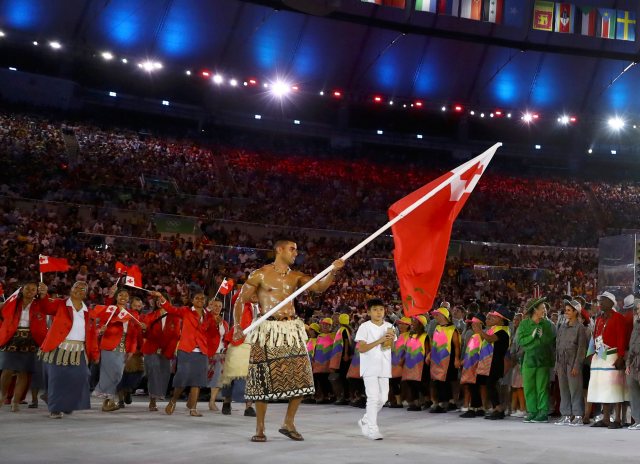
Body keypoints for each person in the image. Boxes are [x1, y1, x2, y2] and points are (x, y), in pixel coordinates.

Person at [232, 239, 344, 442]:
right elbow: (241, 300)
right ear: (279, 249)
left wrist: (333, 272)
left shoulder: (295, 276)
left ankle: (288, 423)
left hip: (291, 329)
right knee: (262, 379)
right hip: (268, 331)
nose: (296, 252)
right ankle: (260, 427)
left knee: (301, 377)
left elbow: (318, 287)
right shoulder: (260, 274)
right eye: (292, 249)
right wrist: (238, 326)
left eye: (296, 249)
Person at [38, 281, 100, 419]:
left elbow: (92, 335)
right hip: (59, 348)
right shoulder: (60, 304)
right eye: (76, 286)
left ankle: (64, 402)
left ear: (86, 293)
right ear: (71, 290)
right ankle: (55, 408)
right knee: (57, 379)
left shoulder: (88, 312)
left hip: (79, 350)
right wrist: (43, 295)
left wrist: (95, 353)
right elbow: (46, 307)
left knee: (82, 376)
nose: (79, 289)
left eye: (83, 288)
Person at [150, 290, 212, 417]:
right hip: (186, 350)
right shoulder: (186, 311)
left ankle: (193, 408)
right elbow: (170, 308)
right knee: (182, 379)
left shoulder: (208, 315)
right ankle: (173, 401)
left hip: (202, 351)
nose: (200, 300)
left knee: (198, 381)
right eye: (197, 298)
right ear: (192, 300)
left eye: (202, 298)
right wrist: (161, 297)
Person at [92, 287, 145, 412]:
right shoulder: (110, 310)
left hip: (123, 349)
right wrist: (101, 330)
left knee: (117, 375)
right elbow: (100, 325)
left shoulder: (131, 314)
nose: (123, 297)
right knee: (112, 374)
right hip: (109, 346)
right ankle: (106, 400)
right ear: (116, 297)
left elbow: (133, 335)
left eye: (126, 296)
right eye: (121, 295)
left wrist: (131, 350)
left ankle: (108, 401)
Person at [0, 280, 48, 412]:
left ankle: (16, 400)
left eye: (33, 290)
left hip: (31, 339)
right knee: (7, 369)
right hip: (12, 338)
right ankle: (3, 396)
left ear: (37, 292)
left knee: (24, 372)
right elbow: (2, 311)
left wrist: (45, 293)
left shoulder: (40, 304)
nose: (30, 292)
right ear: (22, 290)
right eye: (27, 289)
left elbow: (49, 305)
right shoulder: (13, 302)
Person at [355, 298, 395, 440]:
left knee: (383, 398)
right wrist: (380, 340)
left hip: (384, 366)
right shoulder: (364, 327)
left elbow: (390, 346)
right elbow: (362, 348)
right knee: (373, 398)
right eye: (375, 309)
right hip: (369, 367)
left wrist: (391, 338)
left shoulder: (390, 326)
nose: (378, 312)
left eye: (381, 309)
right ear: (369, 312)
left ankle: (365, 419)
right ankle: (372, 429)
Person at [588, 291, 629, 429]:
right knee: (602, 388)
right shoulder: (599, 319)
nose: (600, 303)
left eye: (603, 300)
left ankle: (617, 419)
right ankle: (605, 418)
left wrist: (621, 356)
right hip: (600, 355)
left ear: (611, 303)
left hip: (613, 355)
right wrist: (593, 354)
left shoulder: (618, 318)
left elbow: (621, 338)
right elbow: (595, 337)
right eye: (600, 301)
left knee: (614, 388)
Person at [140, 295, 181, 411]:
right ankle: (152, 400)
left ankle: (158, 394)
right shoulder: (149, 316)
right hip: (150, 349)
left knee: (164, 374)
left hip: (166, 350)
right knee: (153, 372)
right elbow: (145, 335)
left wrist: (168, 352)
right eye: (157, 300)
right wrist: (144, 329)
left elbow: (176, 336)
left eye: (161, 299)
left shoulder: (175, 317)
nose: (159, 302)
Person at [518, 297, 556, 423]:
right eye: (543, 308)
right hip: (528, 361)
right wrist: (532, 336)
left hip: (543, 360)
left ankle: (543, 412)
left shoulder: (548, 324)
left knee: (542, 387)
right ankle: (532, 411)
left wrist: (540, 338)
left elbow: (550, 341)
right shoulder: (524, 324)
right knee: (529, 387)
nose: (545, 311)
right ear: (535, 310)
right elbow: (521, 342)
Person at [554, 299, 588, 426]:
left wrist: (577, 365)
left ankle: (578, 415)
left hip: (573, 364)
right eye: (565, 310)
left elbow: (581, 349)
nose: (566, 312)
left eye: (569, 310)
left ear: (576, 312)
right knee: (564, 390)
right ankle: (566, 415)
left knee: (575, 390)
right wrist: (557, 364)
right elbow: (557, 346)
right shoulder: (562, 327)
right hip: (561, 363)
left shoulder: (580, 328)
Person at [476, 306, 512, 420]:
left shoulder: (503, 331)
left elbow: (490, 339)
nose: (492, 318)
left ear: (502, 320)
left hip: (496, 362)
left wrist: (479, 331)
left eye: (495, 317)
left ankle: (499, 408)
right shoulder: (496, 329)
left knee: (491, 385)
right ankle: (496, 408)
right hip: (490, 362)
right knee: (490, 385)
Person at [429, 306, 462, 413]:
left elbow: (457, 346)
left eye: (437, 315)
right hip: (437, 358)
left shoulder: (453, 329)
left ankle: (445, 403)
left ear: (443, 316)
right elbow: (434, 343)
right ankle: (444, 402)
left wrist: (457, 359)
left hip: (449, 358)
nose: (435, 317)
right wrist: (429, 354)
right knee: (438, 381)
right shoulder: (437, 327)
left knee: (446, 381)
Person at [401, 315, 430, 411]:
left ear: (420, 324)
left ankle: (427, 400)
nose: (412, 323)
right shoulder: (411, 335)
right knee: (410, 382)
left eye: (415, 321)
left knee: (419, 383)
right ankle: (416, 403)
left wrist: (427, 361)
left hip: (421, 363)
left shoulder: (425, 336)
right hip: (410, 362)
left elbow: (427, 350)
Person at [329, 313, 352, 405]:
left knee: (344, 376)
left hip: (343, 357)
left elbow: (346, 342)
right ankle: (345, 396)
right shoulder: (344, 329)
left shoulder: (344, 330)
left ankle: (346, 396)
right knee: (342, 377)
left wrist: (346, 354)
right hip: (341, 357)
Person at [625, 297, 640, 429]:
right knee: (633, 391)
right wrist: (628, 364)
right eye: (637, 309)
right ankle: (637, 420)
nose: (637, 312)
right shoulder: (636, 325)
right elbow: (631, 345)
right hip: (634, 363)